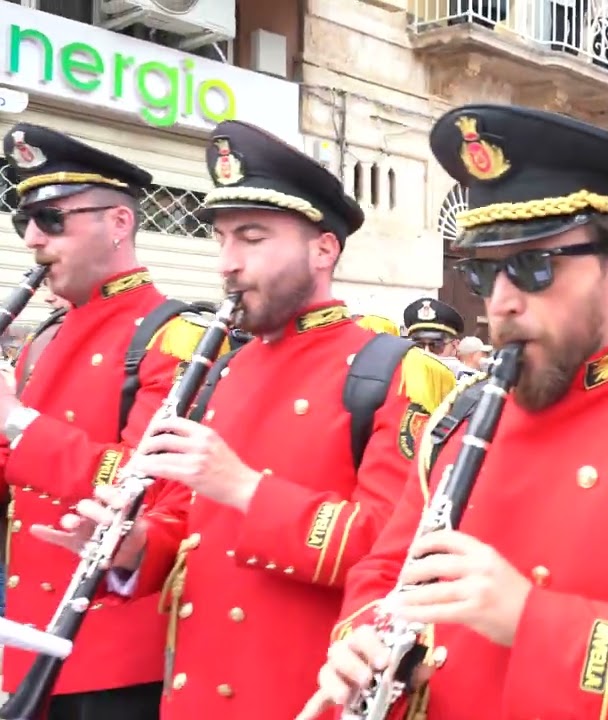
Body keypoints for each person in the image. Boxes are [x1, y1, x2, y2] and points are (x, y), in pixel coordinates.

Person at [303, 104, 608, 719]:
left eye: (533, 267)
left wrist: (527, 617)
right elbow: (386, 570)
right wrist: (363, 637)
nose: (501, 303)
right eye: (485, 273)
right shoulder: (458, 419)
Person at [35, 120, 457, 719]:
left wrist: (246, 489)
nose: (227, 264)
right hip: (194, 695)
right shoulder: (226, 369)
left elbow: (394, 551)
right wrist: (133, 545)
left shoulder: (396, 372)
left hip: (299, 695)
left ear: (323, 250)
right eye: (221, 239)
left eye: (252, 239)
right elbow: (186, 525)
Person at [0, 123, 215, 719]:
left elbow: (149, 486)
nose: (32, 239)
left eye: (51, 220)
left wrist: (17, 422)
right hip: (24, 642)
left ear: (118, 223)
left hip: (113, 659)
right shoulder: (44, 338)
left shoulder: (177, 337)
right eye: (24, 222)